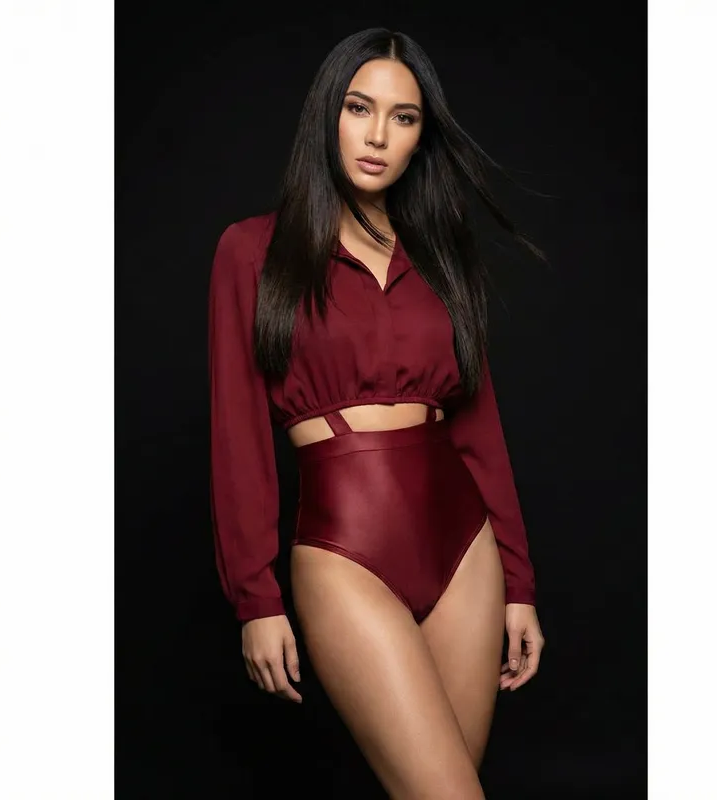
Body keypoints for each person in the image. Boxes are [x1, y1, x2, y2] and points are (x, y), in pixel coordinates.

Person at [208, 27, 545, 799]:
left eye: (404, 117)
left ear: (422, 136)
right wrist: (255, 599)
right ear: (328, 113)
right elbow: (237, 439)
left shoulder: (442, 255)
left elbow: (478, 427)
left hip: (465, 550)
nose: (378, 135)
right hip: (342, 551)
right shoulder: (252, 251)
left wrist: (519, 585)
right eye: (361, 108)